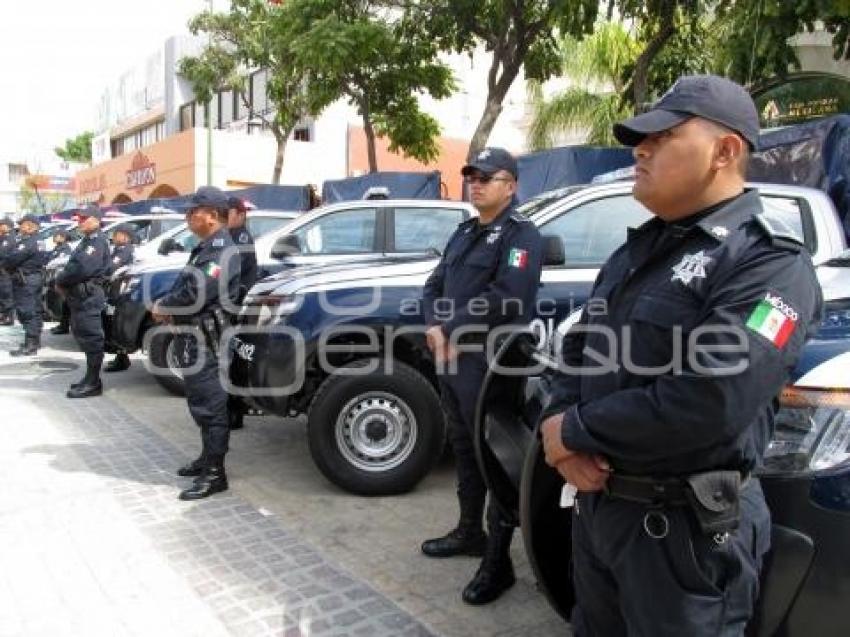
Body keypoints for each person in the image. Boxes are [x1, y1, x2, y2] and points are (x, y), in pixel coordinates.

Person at [539, 75, 823, 636]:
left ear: (725, 151)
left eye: (664, 137)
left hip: (685, 536)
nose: (640, 149)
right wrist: (559, 427)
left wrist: (574, 428)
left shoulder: (770, 265)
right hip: (603, 514)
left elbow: (711, 396)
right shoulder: (639, 250)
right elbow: (580, 346)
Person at [421, 147, 544, 604]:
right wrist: (435, 326)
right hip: (453, 361)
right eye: (471, 176)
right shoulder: (466, 232)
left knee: (493, 459)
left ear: (510, 186)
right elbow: (433, 286)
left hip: (491, 366)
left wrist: (450, 328)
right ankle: (469, 531)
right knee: (463, 449)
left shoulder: (522, 236)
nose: (475, 183)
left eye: (486, 177)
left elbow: (508, 296)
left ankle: (499, 561)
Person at [151, 186, 240, 500]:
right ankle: (207, 458)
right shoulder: (206, 248)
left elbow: (196, 292)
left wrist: (165, 306)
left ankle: (216, 474)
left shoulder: (222, 250)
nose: (188, 217)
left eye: (193, 211)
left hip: (208, 341)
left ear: (211, 215)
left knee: (211, 406)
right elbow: (186, 285)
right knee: (200, 402)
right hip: (194, 337)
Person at [55, 205, 112, 397]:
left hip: (89, 296)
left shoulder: (97, 242)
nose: (80, 222)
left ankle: (94, 382)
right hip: (80, 296)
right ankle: (90, 377)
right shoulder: (87, 241)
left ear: (96, 220)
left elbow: (81, 269)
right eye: (79, 219)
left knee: (92, 337)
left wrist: (60, 279)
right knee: (84, 336)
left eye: (84, 219)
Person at [225, 195, 257, 430]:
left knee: (233, 360)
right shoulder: (232, 236)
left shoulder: (240, 237)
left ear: (239, 214)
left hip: (237, 304)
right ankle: (232, 409)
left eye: (227, 213)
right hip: (233, 304)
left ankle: (235, 412)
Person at [6, 214, 45, 356]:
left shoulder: (28, 242)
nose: (20, 227)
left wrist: (6, 264)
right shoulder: (38, 240)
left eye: (22, 224)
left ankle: (31, 344)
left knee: (27, 311)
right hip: (33, 278)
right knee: (35, 310)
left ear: (30, 226)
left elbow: (12, 259)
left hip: (26, 280)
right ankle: (35, 340)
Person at [103, 224, 135, 372]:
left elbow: (111, 267)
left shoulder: (125, 251)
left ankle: (122, 358)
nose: (114, 237)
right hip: (112, 291)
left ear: (125, 237)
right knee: (111, 324)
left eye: (117, 234)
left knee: (115, 324)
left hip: (118, 293)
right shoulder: (117, 250)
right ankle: (121, 357)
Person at [48, 228, 74, 335]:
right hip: (53, 277)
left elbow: (57, 263)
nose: (54, 237)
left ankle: (64, 325)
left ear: (63, 238)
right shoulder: (57, 248)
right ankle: (62, 324)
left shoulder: (65, 249)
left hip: (61, 279)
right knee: (61, 303)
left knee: (64, 303)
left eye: (57, 235)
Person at [0, 217, 15, 326]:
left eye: (2, 225)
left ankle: (9, 317)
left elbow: (3, 252)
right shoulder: (4, 237)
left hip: (6, 270)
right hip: (2, 269)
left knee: (6, 294)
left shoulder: (9, 238)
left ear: (7, 226)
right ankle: (4, 315)